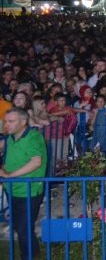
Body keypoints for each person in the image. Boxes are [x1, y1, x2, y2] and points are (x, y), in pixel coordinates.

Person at [0, 108, 48, 260]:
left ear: (23, 122)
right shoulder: (10, 138)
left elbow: (36, 162)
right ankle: (33, 254)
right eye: (5, 121)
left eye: (11, 121)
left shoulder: (34, 137)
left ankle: (28, 256)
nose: (6, 125)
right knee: (23, 228)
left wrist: (9, 175)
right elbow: (9, 160)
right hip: (13, 189)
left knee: (23, 228)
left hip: (30, 190)